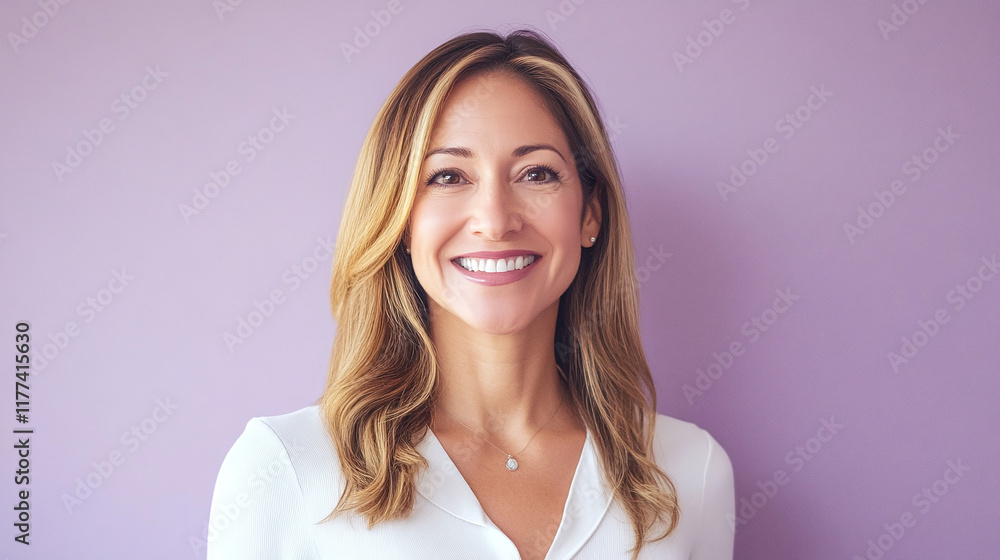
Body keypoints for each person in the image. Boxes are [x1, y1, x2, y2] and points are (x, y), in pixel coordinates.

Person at [207, 28, 735, 560]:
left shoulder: (693, 471)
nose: (495, 220)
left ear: (589, 214)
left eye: (536, 173)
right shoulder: (285, 468)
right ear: (402, 220)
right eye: (449, 176)